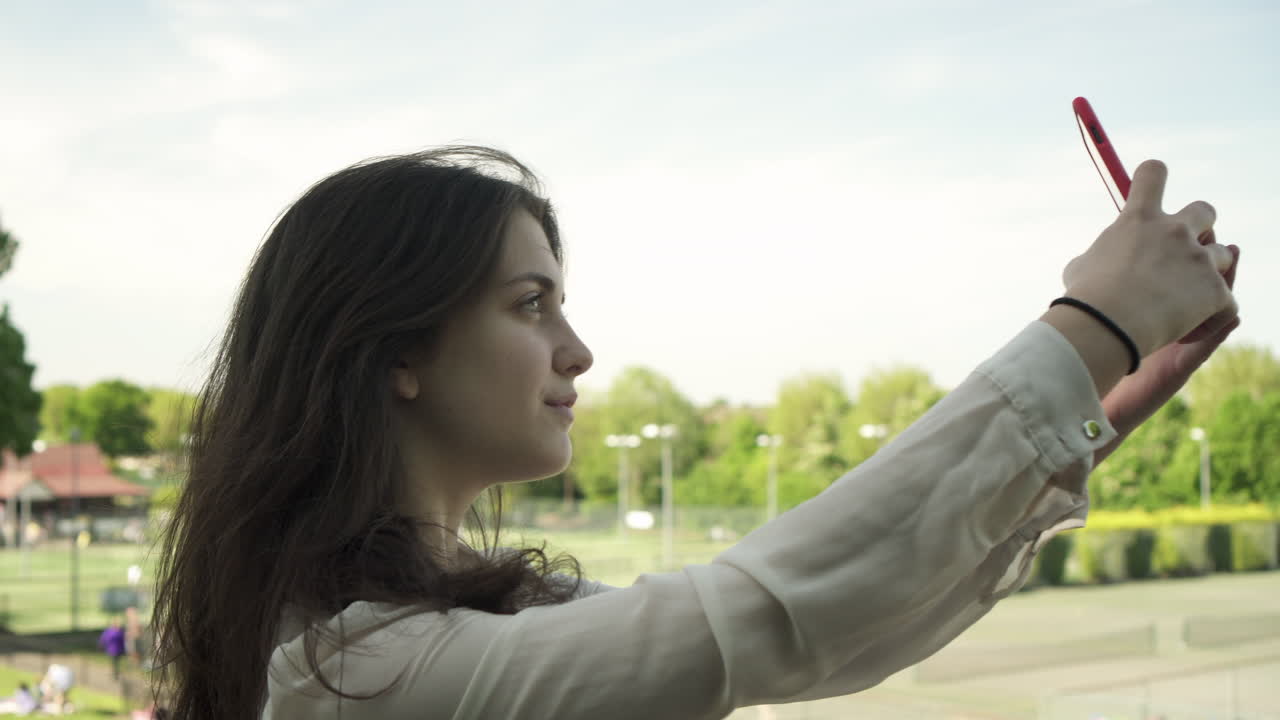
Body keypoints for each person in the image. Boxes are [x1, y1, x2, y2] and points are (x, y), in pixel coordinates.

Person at [150, 147, 1241, 719]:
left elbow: (845, 629)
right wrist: (1089, 329)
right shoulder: (358, 674)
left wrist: (1094, 402)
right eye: (531, 305)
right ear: (396, 348)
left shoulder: (461, 618)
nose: (577, 351)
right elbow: (757, 620)